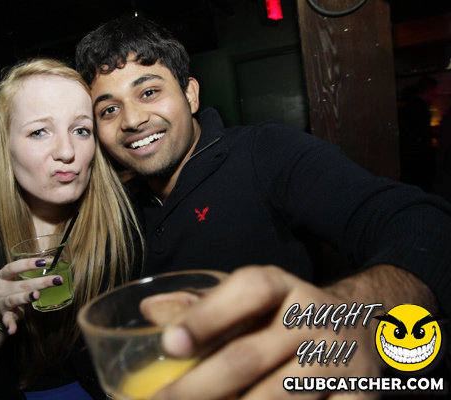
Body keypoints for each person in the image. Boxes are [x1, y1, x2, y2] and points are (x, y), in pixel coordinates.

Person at [75, 16, 451, 399]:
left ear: (190, 94)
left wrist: (350, 317)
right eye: (109, 110)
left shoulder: (264, 152)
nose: (132, 119)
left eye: (149, 92)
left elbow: (425, 225)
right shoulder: (116, 206)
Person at [0, 58, 143, 399]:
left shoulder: (124, 212)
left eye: (81, 130)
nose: (67, 152)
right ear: (3, 143)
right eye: (39, 132)